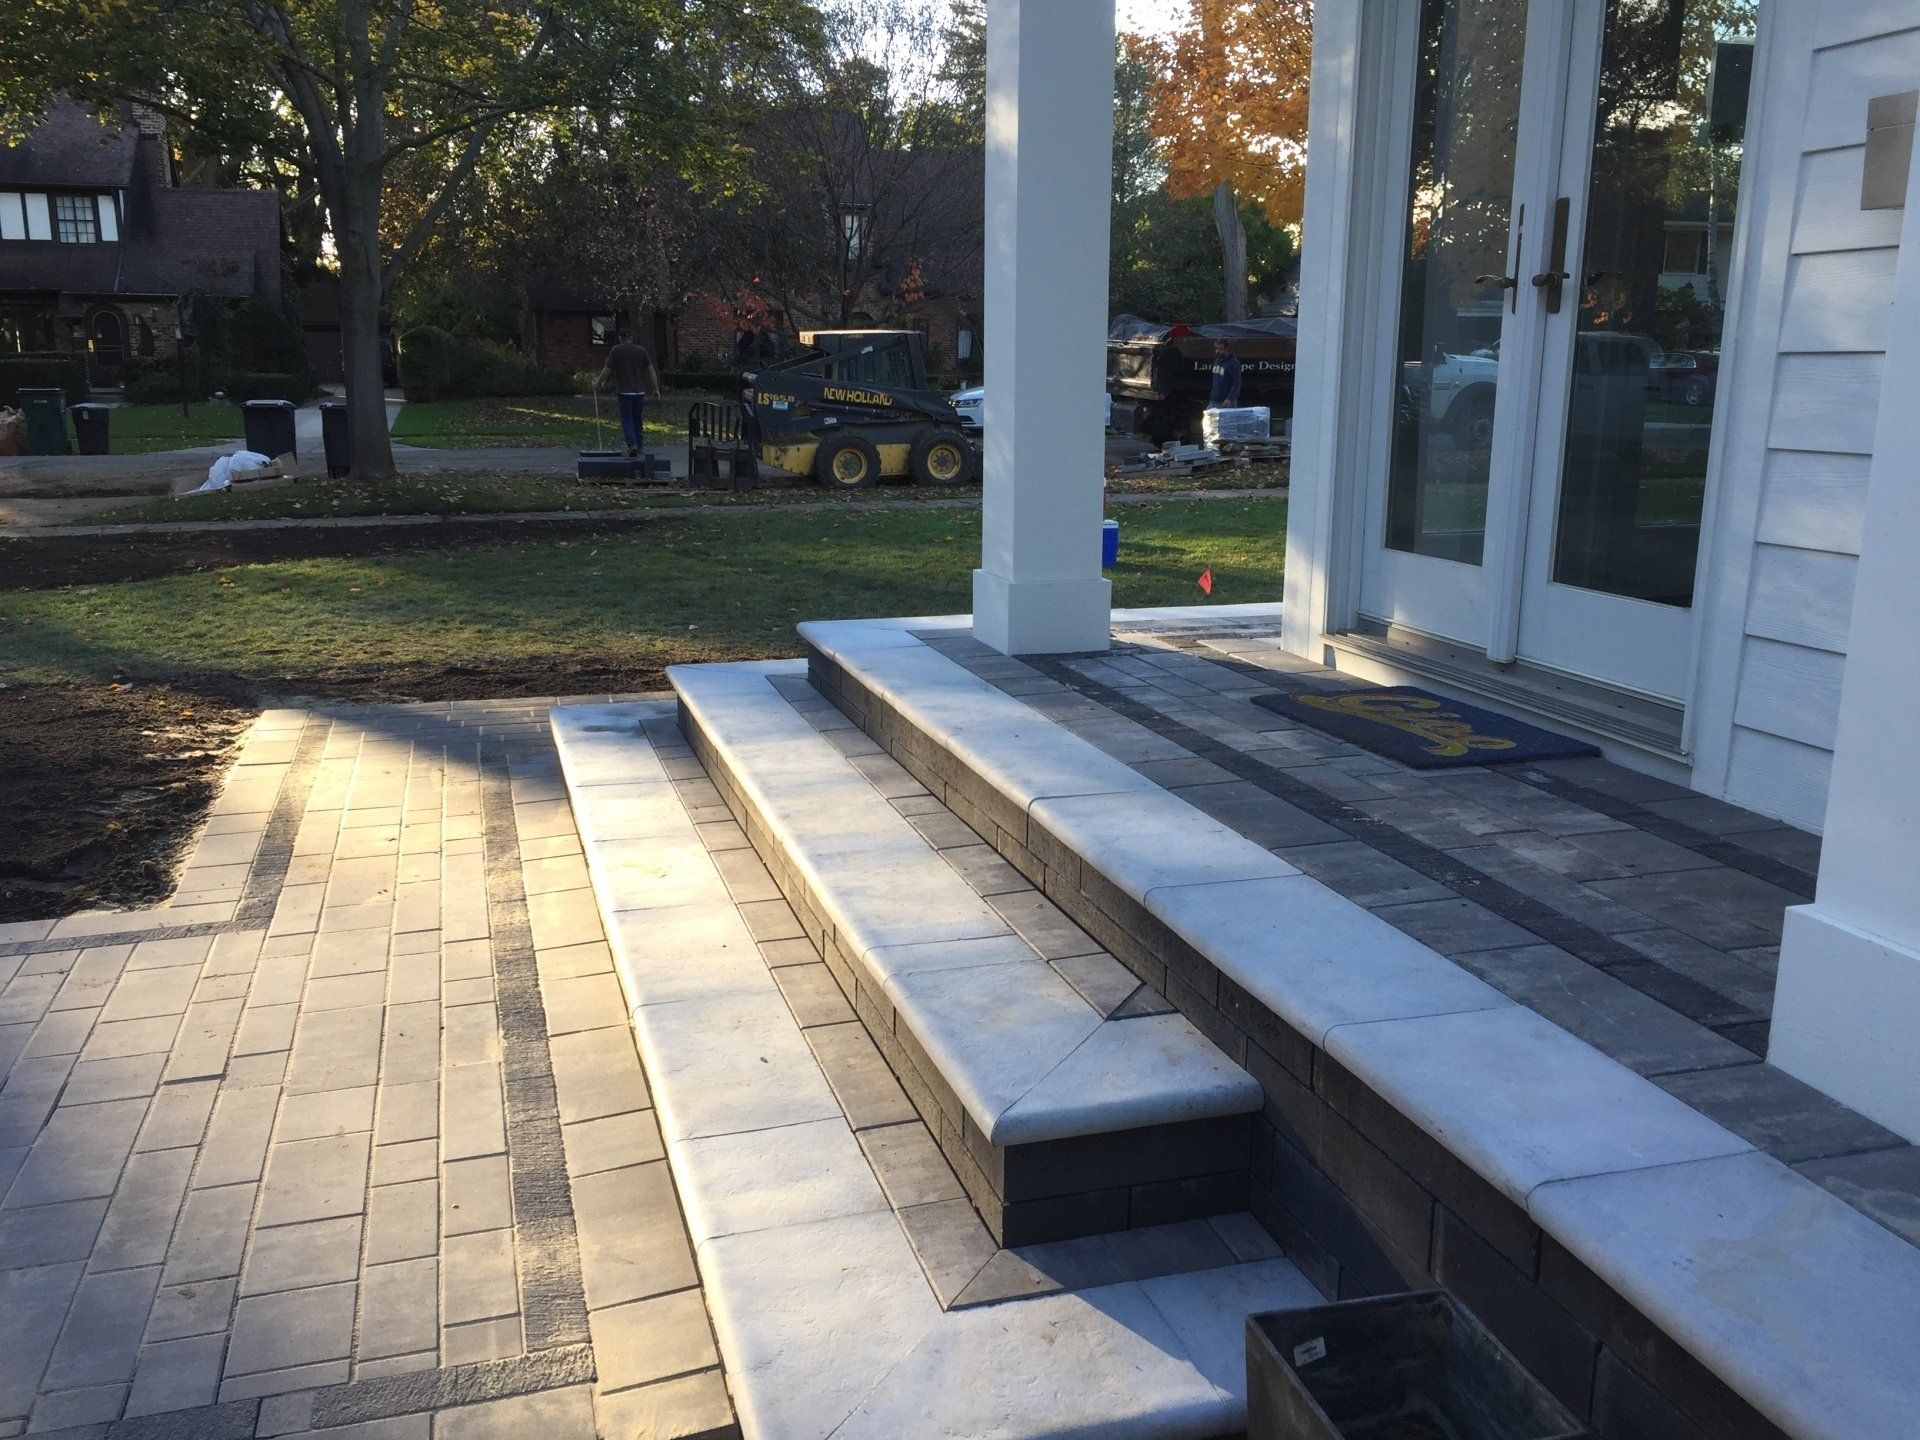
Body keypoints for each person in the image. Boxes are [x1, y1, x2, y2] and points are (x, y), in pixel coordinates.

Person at [597, 328, 662, 457]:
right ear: (631, 338)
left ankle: (632, 444)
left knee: (627, 418)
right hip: (639, 392)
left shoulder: (616, 350)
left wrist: (598, 383)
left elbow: (607, 369)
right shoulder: (642, 351)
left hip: (624, 391)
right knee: (637, 418)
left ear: (620, 338)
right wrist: (656, 388)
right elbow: (651, 371)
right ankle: (640, 445)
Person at [1207, 338, 1242, 410]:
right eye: (1216, 348)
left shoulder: (1233, 363)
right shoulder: (1216, 360)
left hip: (1226, 402)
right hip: (1214, 400)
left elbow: (1237, 383)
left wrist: (1230, 399)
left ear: (1227, 348)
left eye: (1220, 349)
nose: (1217, 351)